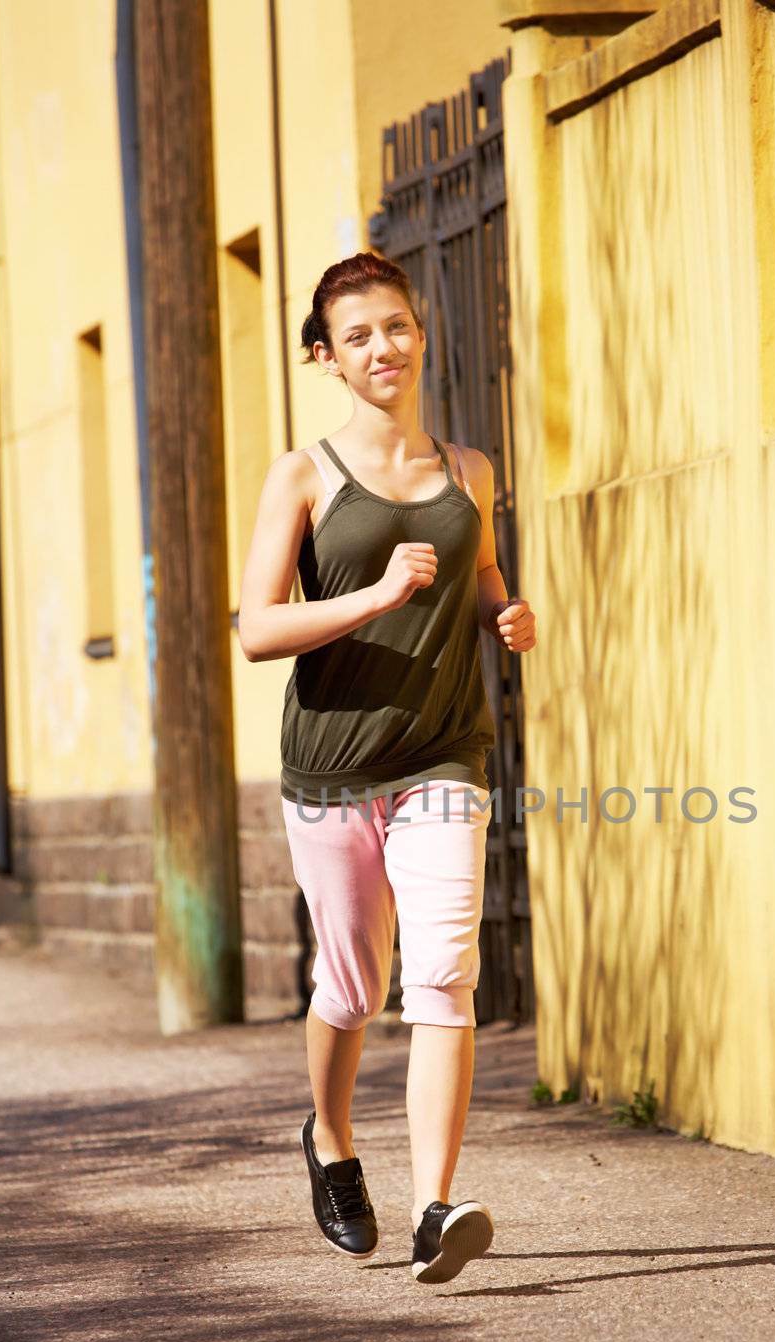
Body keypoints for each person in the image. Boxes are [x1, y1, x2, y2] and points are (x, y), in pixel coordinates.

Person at [238, 251, 537, 1284]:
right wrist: (369, 597)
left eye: (397, 326)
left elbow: (481, 568)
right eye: (358, 334)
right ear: (326, 356)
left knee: (443, 972)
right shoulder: (303, 474)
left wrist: (503, 609)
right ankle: (327, 1138)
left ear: (420, 334)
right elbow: (254, 627)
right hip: (331, 766)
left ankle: (435, 1205)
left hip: (445, 751)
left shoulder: (469, 470)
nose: (384, 347)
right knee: (353, 987)